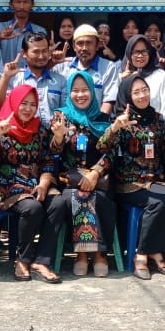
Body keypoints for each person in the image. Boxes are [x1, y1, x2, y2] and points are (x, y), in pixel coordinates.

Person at [99, 74, 165, 280]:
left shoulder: (158, 118)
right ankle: (141, 255)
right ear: (128, 96)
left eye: (145, 90)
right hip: (129, 182)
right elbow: (102, 147)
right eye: (136, 92)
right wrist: (115, 128)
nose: (142, 96)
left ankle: (152, 251)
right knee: (158, 203)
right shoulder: (121, 119)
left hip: (154, 179)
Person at [0, 86, 63, 283]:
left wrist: (43, 184)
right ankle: (23, 259)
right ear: (13, 103)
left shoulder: (39, 129)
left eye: (33, 104)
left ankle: (42, 260)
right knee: (32, 207)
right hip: (7, 185)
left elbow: (48, 160)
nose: (28, 109)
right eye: (23, 103)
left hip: (35, 183)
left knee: (59, 203)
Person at [49, 71, 115, 277]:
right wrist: (58, 137)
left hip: (99, 180)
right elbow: (53, 153)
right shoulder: (61, 116)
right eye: (75, 90)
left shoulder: (103, 118)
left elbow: (111, 152)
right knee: (79, 196)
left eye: (85, 90)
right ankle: (90, 254)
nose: (80, 95)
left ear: (92, 92)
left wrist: (95, 173)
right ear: (69, 93)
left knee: (99, 198)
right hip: (70, 180)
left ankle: (91, 253)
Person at [0, 32, 66, 125]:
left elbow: (65, 112)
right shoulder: (13, 79)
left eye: (45, 51)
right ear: (24, 53)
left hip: (54, 133)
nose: (41, 56)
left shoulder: (60, 80)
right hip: (21, 133)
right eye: (36, 52)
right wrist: (5, 77)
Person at [104, 34, 165, 119]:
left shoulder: (160, 76)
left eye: (144, 51)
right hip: (128, 125)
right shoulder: (121, 78)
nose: (140, 56)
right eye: (136, 52)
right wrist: (122, 81)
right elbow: (116, 108)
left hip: (156, 125)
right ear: (129, 54)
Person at [52, 24, 118, 107]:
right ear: (74, 46)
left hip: (97, 115)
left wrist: (101, 116)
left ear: (97, 46)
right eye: (80, 43)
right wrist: (52, 62)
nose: (84, 48)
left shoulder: (108, 67)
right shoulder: (61, 66)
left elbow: (108, 103)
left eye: (89, 43)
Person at [0, 0, 46, 66]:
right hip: (7, 74)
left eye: (25, 2)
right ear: (11, 4)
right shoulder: (0, 27)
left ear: (32, 5)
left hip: (31, 74)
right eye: (18, 2)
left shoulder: (39, 31)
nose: (21, 6)